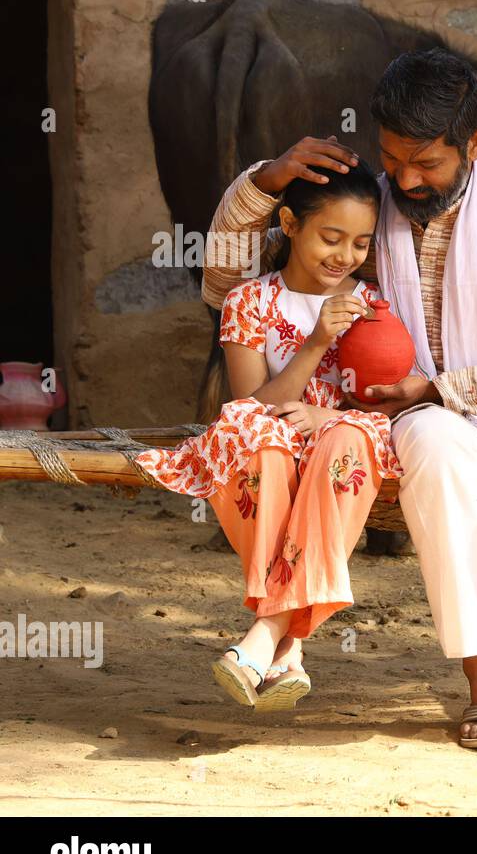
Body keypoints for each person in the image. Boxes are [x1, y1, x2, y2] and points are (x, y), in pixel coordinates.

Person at [202, 49, 477, 747]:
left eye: (428, 164)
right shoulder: (364, 217)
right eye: (394, 159)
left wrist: (441, 384)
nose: (407, 180)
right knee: (439, 447)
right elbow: (226, 288)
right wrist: (266, 180)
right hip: (417, 420)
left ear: (475, 145)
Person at [136, 155, 402, 711]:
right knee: (257, 435)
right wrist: (315, 345)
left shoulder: (374, 307)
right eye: (331, 237)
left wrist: (328, 417)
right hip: (272, 439)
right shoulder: (249, 302)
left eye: (360, 243)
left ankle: (266, 634)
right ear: (289, 225)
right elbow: (250, 403)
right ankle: (290, 648)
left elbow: (379, 404)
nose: (345, 256)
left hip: (338, 438)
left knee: (348, 440)